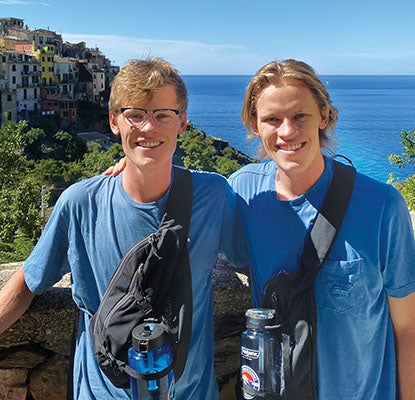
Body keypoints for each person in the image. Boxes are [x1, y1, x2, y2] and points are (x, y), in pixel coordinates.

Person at [0, 58, 247, 399]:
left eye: (163, 115)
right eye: (136, 114)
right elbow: (28, 281)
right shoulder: (80, 204)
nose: (148, 128)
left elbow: (252, 257)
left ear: (182, 123)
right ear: (114, 121)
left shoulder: (214, 196)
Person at [228, 59, 415, 399]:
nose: (287, 132)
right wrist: (130, 168)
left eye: (300, 115)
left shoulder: (381, 206)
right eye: (272, 119)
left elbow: (407, 327)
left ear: (324, 117)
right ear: (254, 125)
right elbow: (185, 210)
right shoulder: (243, 193)